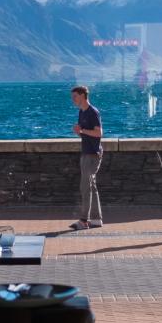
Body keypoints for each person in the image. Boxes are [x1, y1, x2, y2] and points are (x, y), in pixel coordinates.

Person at [70, 85, 103, 230]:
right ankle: (96, 219)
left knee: (85, 187)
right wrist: (79, 132)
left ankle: (84, 220)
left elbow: (99, 133)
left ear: (83, 95)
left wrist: (82, 130)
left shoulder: (93, 112)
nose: (73, 99)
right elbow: (85, 133)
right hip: (86, 152)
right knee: (92, 187)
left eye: (75, 96)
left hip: (92, 154)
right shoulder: (81, 112)